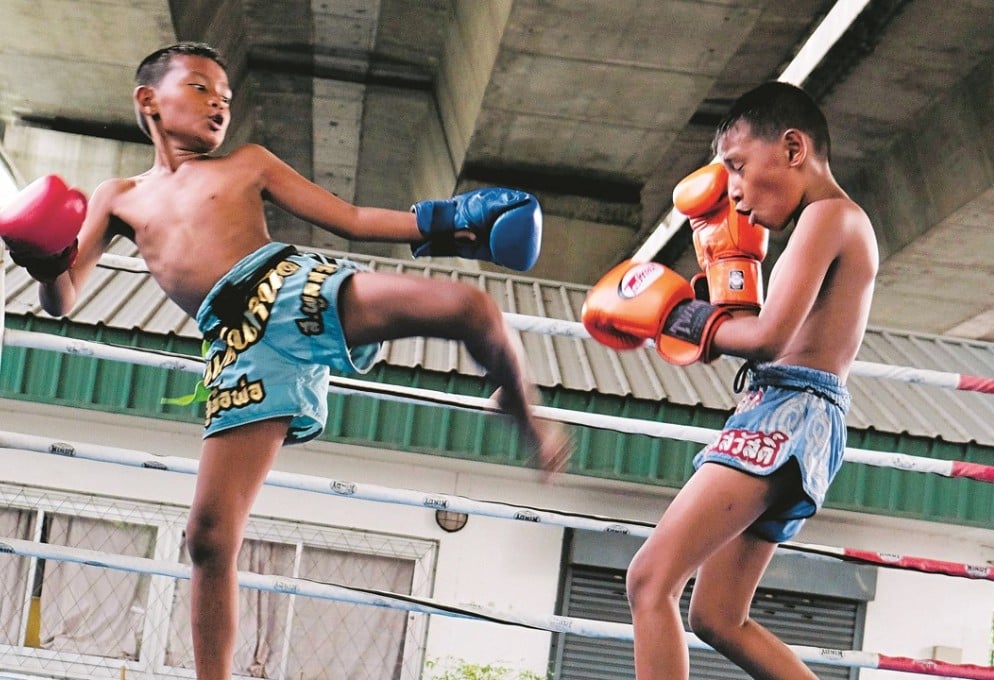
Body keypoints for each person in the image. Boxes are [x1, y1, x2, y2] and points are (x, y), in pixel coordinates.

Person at [0, 42, 570, 679]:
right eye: (200, 87)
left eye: (225, 94)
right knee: (209, 538)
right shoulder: (118, 196)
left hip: (292, 289)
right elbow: (63, 299)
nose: (219, 101)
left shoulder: (247, 163)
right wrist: (46, 260)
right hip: (238, 344)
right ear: (148, 101)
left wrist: (447, 224)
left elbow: (351, 218)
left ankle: (520, 407)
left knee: (471, 308)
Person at [581, 80, 879, 679]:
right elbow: (751, 332)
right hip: (787, 412)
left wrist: (678, 315)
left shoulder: (829, 217)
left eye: (737, 167)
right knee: (717, 615)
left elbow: (766, 336)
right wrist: (727, 273)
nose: (734, 192)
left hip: (787, 414)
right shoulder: (826, 224)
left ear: (793, 149)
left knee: (648, 580)